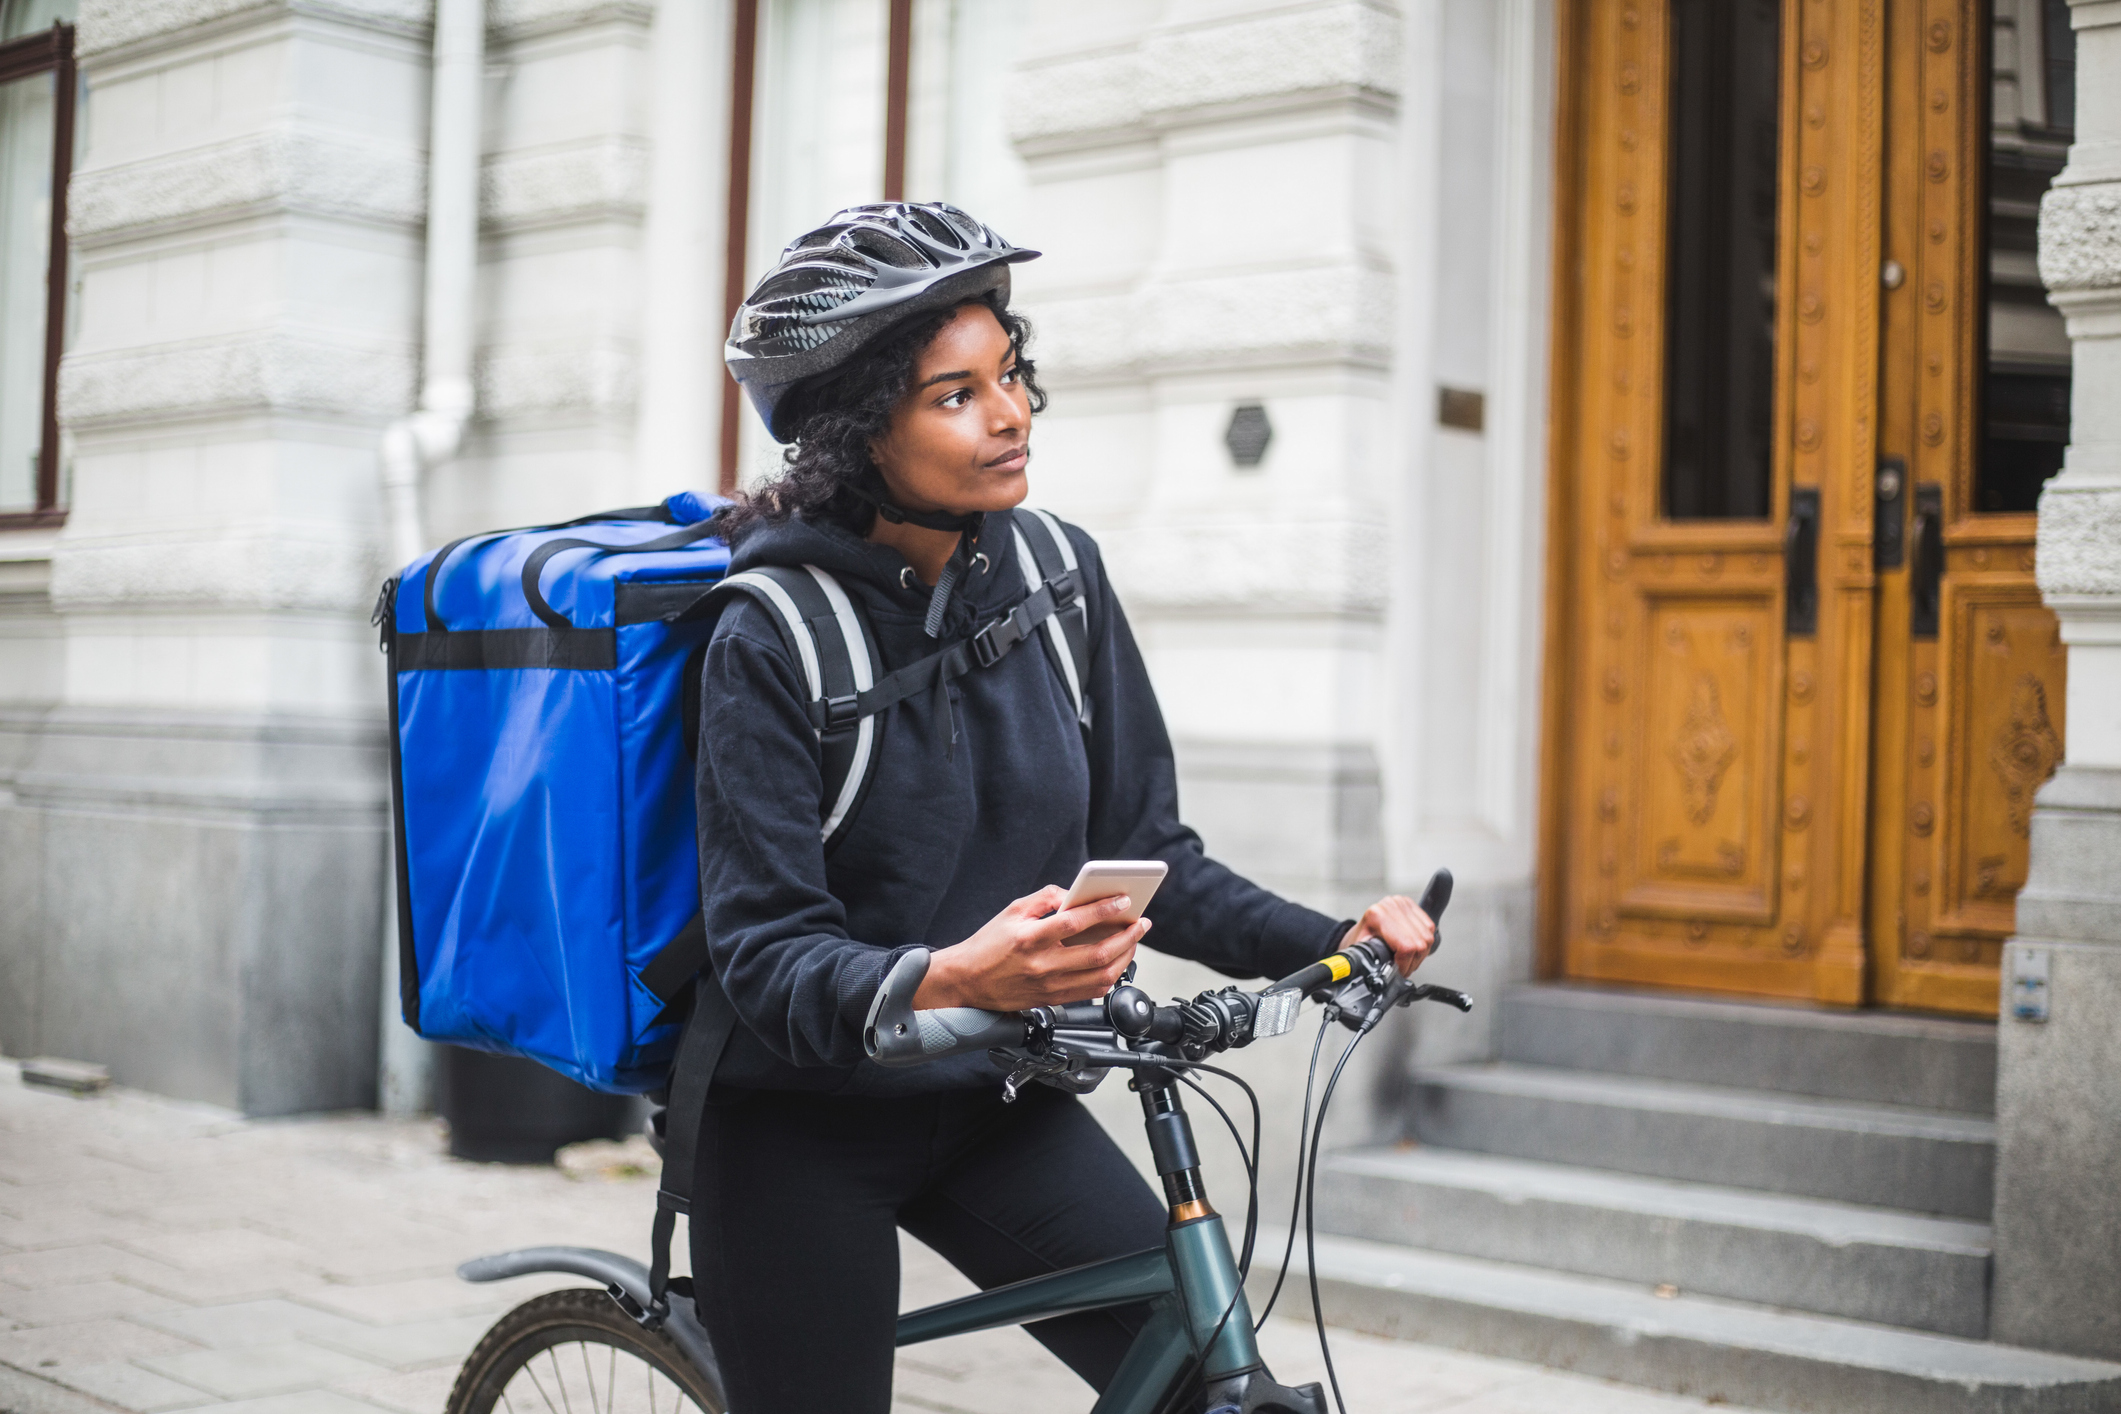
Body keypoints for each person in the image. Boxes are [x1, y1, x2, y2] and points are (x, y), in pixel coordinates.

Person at [690, 202, 1436, 1413]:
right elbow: (767, 957)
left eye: (1012, 373)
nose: (1010, 413)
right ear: (853, 432)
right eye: (954, 394)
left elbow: (1152, 857)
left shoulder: (1058, 576)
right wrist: (954, 974)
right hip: (798, 1129)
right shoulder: (768, 636)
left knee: (1204, 1386)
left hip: (995, 1100)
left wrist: (1333, 941)